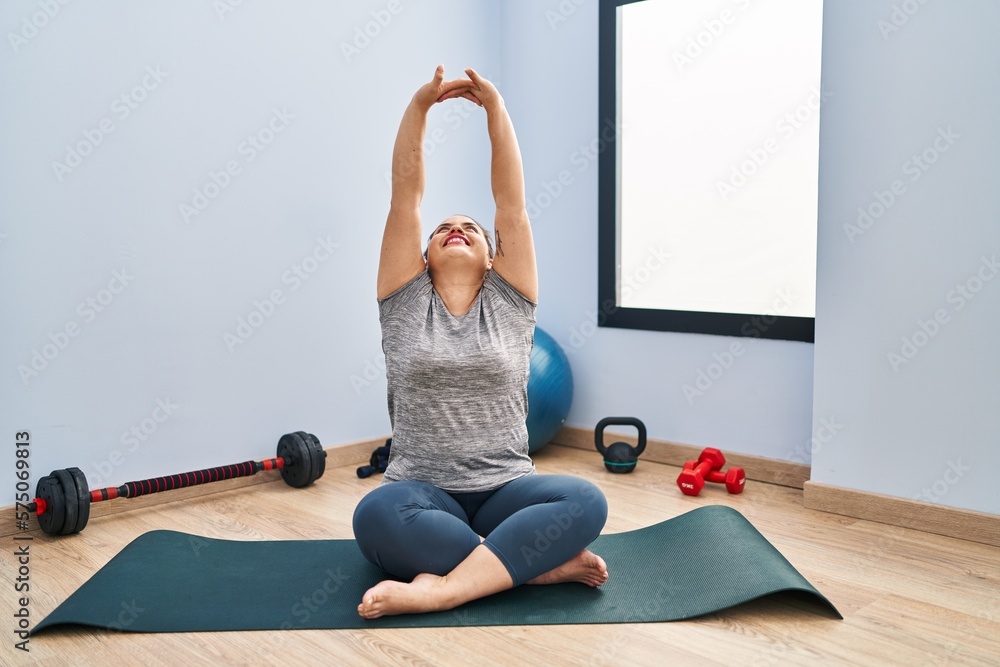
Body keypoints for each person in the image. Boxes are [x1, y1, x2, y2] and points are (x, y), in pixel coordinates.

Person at [352, 66, 609, 619]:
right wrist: (419, 109)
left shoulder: (511, 300)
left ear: (493, 257)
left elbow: (510, 203)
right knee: (374, 518)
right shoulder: (403, 300)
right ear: (423, 256)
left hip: (505, 490)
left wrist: (495, 108)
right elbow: (406, 197)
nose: (456, 229)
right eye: (443, 228)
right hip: (421, 492)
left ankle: (442, 587)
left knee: (586, 501)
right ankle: (533, 569)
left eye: (469, 227)